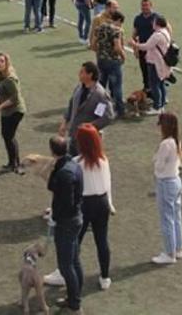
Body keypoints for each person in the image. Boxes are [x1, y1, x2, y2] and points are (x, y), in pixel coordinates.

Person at [45, 124, 115, 290]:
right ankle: (105, 277)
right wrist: (110, 203)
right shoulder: (103, 159)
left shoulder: (76, 163)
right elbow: (108, 183)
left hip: (84, 205)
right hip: (102, 203)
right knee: (102, 240)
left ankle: (63, 273)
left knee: (73, 242)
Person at [47, 136, 83, 313]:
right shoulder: (74, 166)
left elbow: (61, 197)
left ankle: (75, 304)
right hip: (76, 218)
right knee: (74, 261)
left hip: (66, 222)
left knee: (66, 265)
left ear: (53, 151)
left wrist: (56, 217)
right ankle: (74, 297)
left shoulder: (63, 173)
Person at [58, 62, 115, 156]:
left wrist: (89, 126)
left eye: (82, 72)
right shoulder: (79, 88)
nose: (79, 74)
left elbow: (108, 116)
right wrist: (64, 123)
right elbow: (71, 105)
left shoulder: (100, 94)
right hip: (73, 135)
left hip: (88, 139)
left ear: (90, 74)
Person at [152, 111, 182, 264]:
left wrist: (156, 161)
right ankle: (177, 249)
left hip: (166, 182)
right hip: (176, 180)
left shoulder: (165, 144)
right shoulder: (176, 141)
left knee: (167, 219)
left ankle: (169, 253)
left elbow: (158, 165)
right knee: (176, 217)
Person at [0, 52, 26, 173]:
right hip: (6, 111)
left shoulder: (10, 79)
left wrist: (0, 107)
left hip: (15, 111)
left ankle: (15, 163)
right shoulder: (1, 75)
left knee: (9, 136)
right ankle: (13, 162)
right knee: (7, 136)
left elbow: (14, 99)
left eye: (1, 61)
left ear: (6, 62)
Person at [131, 16, 173, 115]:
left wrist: (134, 44)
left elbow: (146, 46)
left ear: (157, 24)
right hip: (161, 63)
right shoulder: (165, 32)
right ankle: (161, 104)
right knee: (161, 83)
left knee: (154, 85)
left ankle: (157, 106)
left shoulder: (157, 35)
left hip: (155, 63)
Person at [94, 11, 126, 118]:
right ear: (119, 21)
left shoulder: (101, 27)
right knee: (117, 86)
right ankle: (119, 110)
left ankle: (100, 110)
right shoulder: (116, 30)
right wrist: (123, 56)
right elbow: (117, 47)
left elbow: (94, 44)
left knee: (101, 86)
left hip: (101, 60)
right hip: (113, 61)